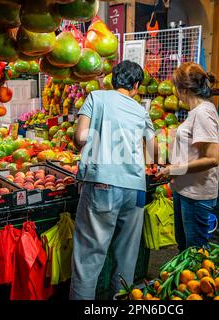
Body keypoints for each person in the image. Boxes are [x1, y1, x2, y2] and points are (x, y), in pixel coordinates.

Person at [70, 60, 155, 300]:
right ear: (136, 85)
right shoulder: (141, 110)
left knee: (89, 257)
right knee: (127, 257)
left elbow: (80, 137)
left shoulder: (96, 97)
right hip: (136, 189)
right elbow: (154, 150)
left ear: (113, 80)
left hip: (102, 185)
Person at [157, 62, 219, 252]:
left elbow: (212, 158)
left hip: (196, 193)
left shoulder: (203, 113)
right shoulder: (197, 112)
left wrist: (173, 169)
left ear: (183, 89)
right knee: (184, 245)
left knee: (194, 251)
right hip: (185, 188)